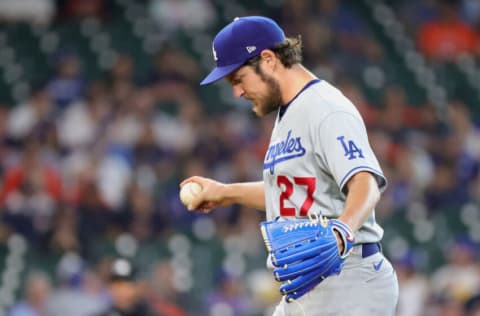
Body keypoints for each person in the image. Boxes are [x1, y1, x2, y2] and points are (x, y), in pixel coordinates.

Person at [180, 16, 399, 315]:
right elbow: (292, 193)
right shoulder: (290, 113)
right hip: (307, 287)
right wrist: (225, 192)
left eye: (238, 79)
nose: (237, 92)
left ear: (268, 59)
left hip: (348, 280)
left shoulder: (325, 108)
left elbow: (365, 183)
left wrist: (341, 232)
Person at [96, 257, 161, 316]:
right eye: (116, 285)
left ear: (138, 287)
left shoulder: (150, 313)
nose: (120, 291)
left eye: (126, 285)